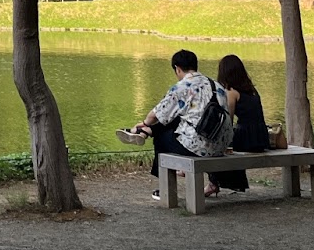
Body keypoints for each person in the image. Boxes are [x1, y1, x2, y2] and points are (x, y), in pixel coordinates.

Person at [114, 49, 233, 199]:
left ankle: (164, 189)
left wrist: (144, 123)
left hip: (200, 147)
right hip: (221, 146)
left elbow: (156, 114)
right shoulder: (216, 86)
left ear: (177, 68)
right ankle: (146, 132)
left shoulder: (183, 87)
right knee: (177, 119)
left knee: (162, 138)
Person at [211, 54, 271, 193]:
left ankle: (214, 183)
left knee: (216, 146)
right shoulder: (251, 90)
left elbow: (228, 121)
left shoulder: (231, 92)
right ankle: (236, 183)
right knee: (229, 143)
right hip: (261, 136)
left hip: (247, 138)